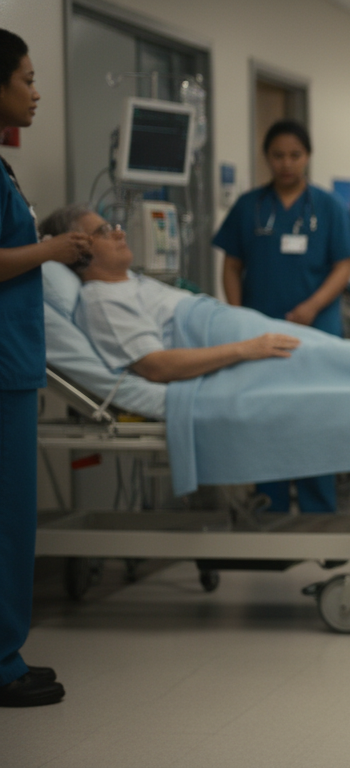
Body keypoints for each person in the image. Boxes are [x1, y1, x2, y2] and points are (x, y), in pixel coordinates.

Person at [213, 119, 350, 513]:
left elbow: (344, 265)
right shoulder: (249, 206)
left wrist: (312, 307)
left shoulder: (327, 207)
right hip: (261, 332)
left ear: (307, 157)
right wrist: (240, 317)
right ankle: (269, 509)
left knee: (314, 420)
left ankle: (319, 511)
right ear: (267, 158)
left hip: (318, 329)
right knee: (267, 420)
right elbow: (231, 266)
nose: (286, 163)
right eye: (278, 156)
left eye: (295, 155)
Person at [0, 28, 83, 709]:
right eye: (27, 78)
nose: (36, 91)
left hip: (15, 359)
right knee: (6, 520)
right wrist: (53, 247)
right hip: (4, 366)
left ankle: (5, 653)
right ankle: (1, 662)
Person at [42, 206, 300, 382]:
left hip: (229, 322)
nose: (119, 233)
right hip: (225, 337)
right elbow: (156, 366)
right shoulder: (101, 299)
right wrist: (245, 349)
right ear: (75, 249)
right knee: (314, 356)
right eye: (103, 231)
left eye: (113, 226)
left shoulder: (129, 281)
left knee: (321, 352)